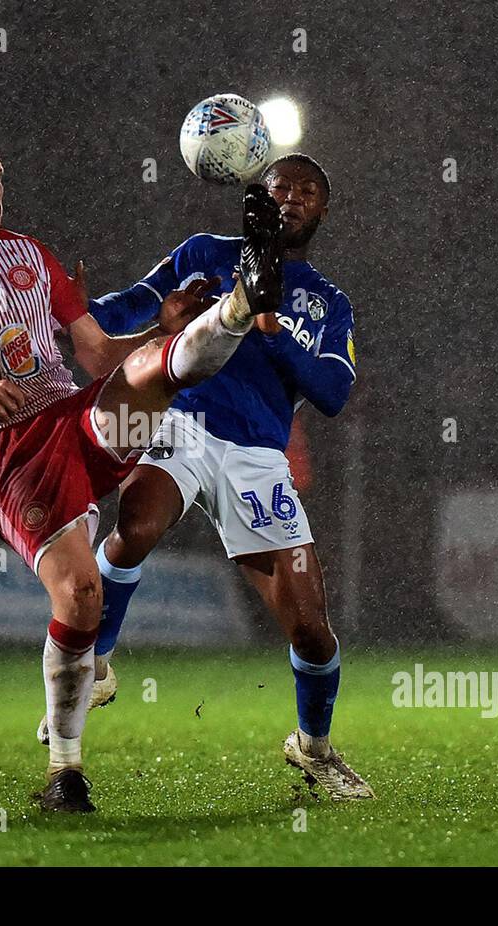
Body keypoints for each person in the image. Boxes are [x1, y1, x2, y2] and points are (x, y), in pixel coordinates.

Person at [0, 126, 282, 811]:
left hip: (74, 420)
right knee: (79, 595)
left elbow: (98, 356)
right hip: (2, 449)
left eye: (0, 176)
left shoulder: (30, 255)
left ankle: (239, 307)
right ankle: (63, 773)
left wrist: (162, 326)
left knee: (146, 373)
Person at [68, 153, 375, 800]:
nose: (291, 197)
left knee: (312, 631)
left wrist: (270, 326)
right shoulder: (206, 252)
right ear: (255, 198)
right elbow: (134, 305)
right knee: (138, 523)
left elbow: (334, 392)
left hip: (257, 457)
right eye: (279, 187)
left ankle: (313, 746)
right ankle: (95, 662)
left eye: (307, 190)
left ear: (323, 209)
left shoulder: (328, 302)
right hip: (181, 421)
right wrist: (68, 311)